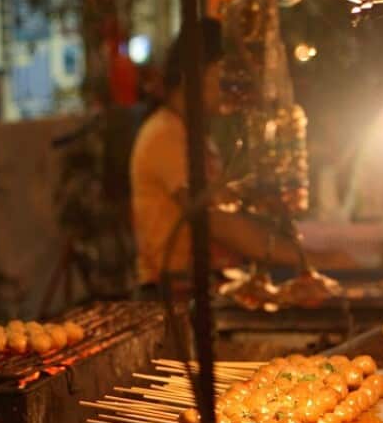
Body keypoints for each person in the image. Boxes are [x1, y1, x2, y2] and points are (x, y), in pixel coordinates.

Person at [129, 20, 347, 291]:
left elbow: (227, 209)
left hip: (207, 286)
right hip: (173, 295)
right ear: (192, 76)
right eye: (225, 74)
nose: (234, 87)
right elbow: (217, 222)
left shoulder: (195, 135)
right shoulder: (163, 136)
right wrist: (310, 259)